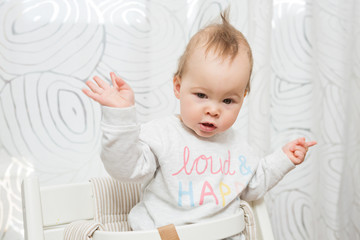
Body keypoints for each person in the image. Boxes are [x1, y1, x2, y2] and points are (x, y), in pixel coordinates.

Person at [83, 10, 316, 238]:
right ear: (178, 87)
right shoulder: (162, 135)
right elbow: (126, 169)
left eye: (227, 100)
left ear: (243, 97)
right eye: (201, 95)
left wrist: (284, 159)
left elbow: (252, 186)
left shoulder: (236, 144)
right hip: (166, 235)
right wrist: (120, 117)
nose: (213, 110)